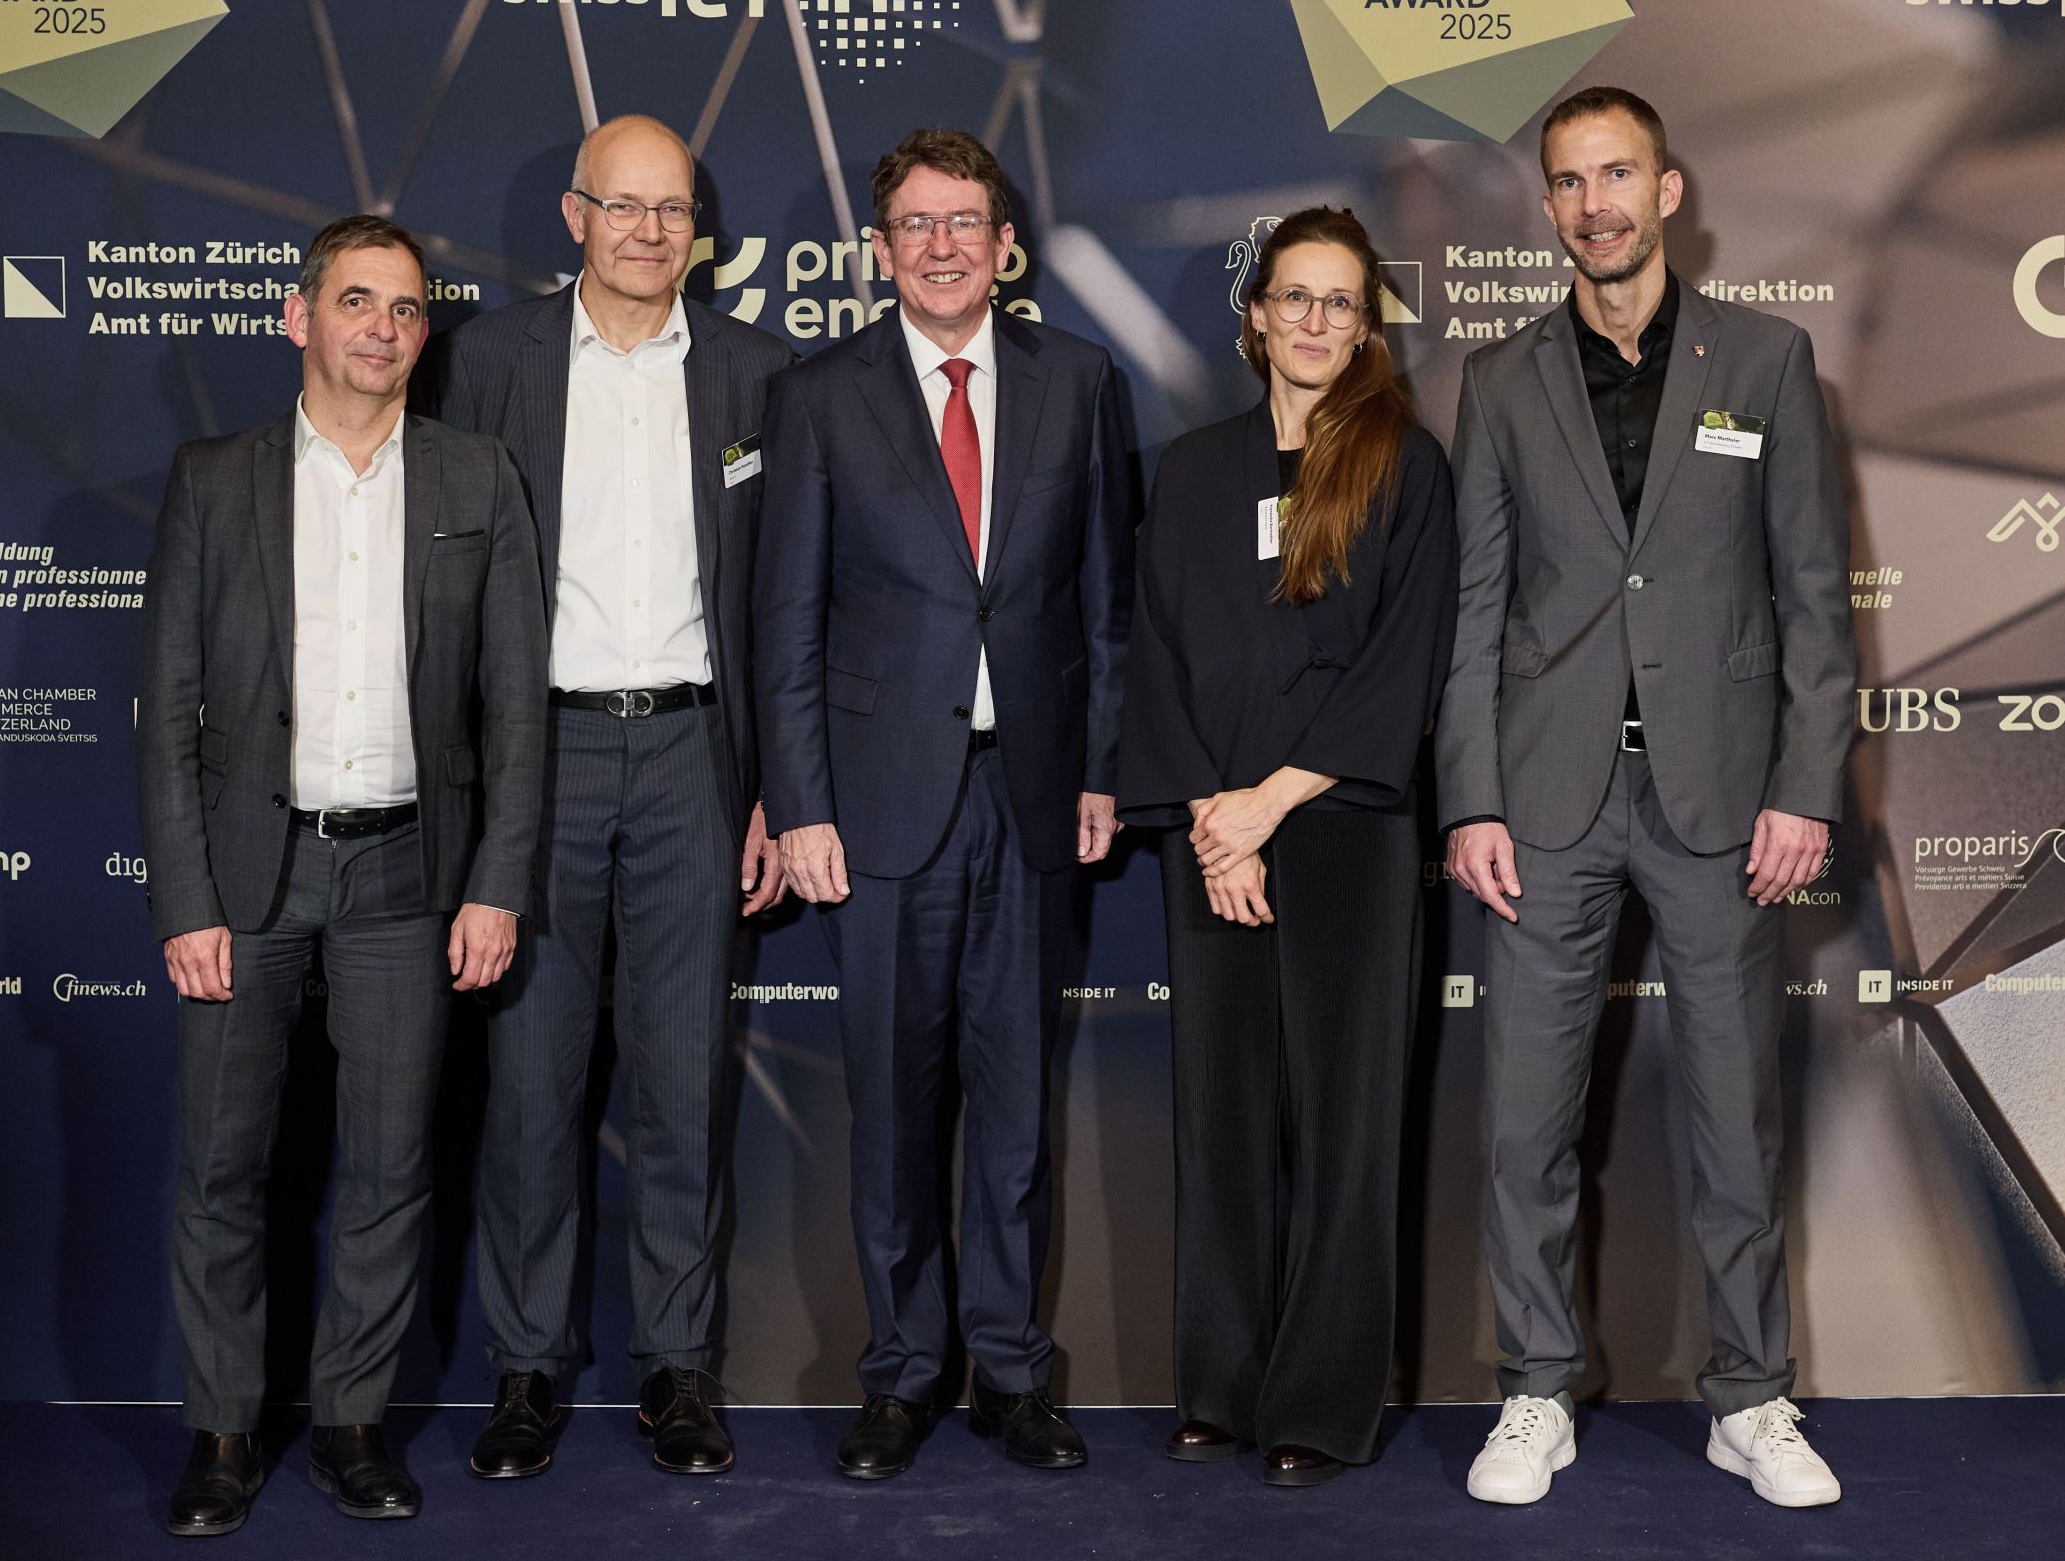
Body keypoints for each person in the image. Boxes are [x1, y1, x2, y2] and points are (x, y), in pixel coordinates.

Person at [1436, 85, 1854, 1510]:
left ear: (1666, 191)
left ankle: (1751, 1395)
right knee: (1522, 1122)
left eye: (1616, 175)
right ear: (1548, 207)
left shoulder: (1768, 358)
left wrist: (1804, 787)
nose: (1593, 203)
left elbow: (1812, 597)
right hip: (1544, 802)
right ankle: (1535, 1388)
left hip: (1721, 799)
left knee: (1735, 1118)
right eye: (1568, 181)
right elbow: (1476, 608)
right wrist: (1470, 798)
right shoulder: (1499, 378)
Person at [137, 214, 548, 1536]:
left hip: (409, 877)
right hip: (245, 878)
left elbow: (514, 707)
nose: (384, 327)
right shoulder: (216, 479)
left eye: (408, 307)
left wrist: (497, 880)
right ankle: (220, 1433)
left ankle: (351, 1423)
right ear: (299, 316)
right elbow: (170, 705)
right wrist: (186, 899)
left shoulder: (478, 476)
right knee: (222, 1168)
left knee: (389, 1165)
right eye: (358, 300)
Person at [755, 128, 1134, 1481]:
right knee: (894, 1111)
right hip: (877, 811)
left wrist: (1100, 766)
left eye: (964, 221)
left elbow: (1107, 604)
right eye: (915, 224)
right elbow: (785, 620)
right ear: (878, 248)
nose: (941, 246)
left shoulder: (1078, 381)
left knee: (1016, 1111)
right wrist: (799, 802)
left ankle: (1013, 1373)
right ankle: (903, 1374)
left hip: (1027, 799)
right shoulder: (818, 396)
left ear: (1004, 243)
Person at [419, 115, 792, 1480]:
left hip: (698, 758)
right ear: (574, 216)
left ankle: (678, 1368)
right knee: (530, 1085)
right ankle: (528, 1368)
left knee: (685, 1080)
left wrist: (773, 787)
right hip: (543, 759)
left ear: (699, 228)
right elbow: (444, 580)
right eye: (623, 206)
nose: (648, 231)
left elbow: (784, 602)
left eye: (672, 209)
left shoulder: (759, 372)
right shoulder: (488, 360)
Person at [1118, 207, 1455, 1487]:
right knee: (1222, 1116)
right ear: (1254, 314)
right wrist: (1218, 823)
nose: (1314, 321)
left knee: (1344, 1128)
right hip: (1212, 839)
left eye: (1340, 303)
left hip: (1345, 833)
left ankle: (1319, 1401)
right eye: (1294, 297)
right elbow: (1157, 650)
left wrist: (1270, 805)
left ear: (1365, 329)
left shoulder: (1404, 466)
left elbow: (1402, 665)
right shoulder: (1191, 469)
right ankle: (1220, 1381)